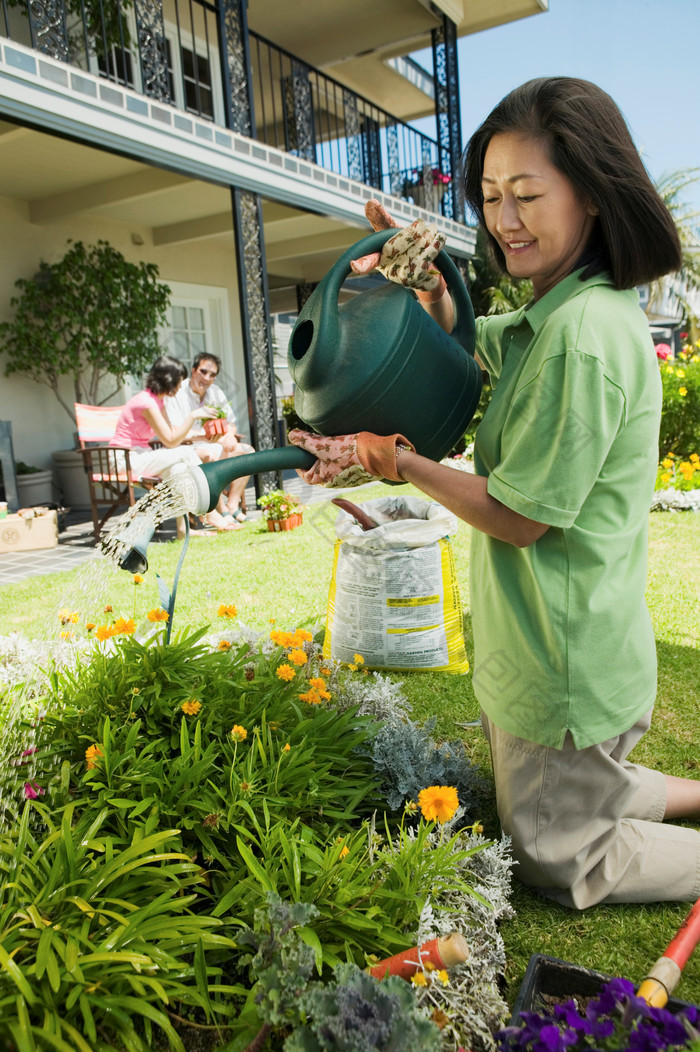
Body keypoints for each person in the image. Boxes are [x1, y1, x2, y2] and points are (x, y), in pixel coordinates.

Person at [288, 77, 700, 909]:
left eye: (526, 195)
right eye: (489, 197)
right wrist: (432, 287)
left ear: (590, 190)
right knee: (580, 785)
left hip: (564, 663)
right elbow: (483, 345)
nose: (504, 219)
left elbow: (518, 519)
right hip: (573, 642)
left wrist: (397, 462)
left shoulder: (580, 338)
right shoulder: (567, 309)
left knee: (558, 855)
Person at [109, 355, 231, 536]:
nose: (181, 385)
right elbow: (170, 441)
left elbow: (173, 437)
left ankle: (183, 530)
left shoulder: (159, 401)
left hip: (141, 455)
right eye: (179, 381)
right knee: (184, 453)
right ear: (169, 380)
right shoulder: (146, 402)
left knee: (179, 470)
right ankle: (211, 510)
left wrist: (200, 434)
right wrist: (193, 416)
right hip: (124, 459)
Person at [165, 352, 255, 524]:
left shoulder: (215, 392)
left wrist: (229, 436)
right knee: (212, 454)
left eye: (212, 375)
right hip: (188, 448)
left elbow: (231, 424)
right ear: (193, 370)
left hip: (218, 444)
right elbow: (175, 431)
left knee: (248, 453)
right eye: (203, 371)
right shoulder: (178, 392)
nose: (207, 378)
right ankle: (218, 509)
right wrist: (206, 438)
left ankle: (232, 506)